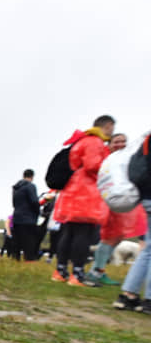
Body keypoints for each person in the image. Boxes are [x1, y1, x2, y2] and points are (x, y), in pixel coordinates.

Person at [52, 115, 114, 286]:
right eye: (111, 128)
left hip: (72, 192)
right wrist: (109, 168)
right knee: (83, 234)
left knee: (69, 233)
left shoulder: (82, 140)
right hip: (85, 194)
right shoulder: (95, 142)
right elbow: (93, 165)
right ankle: (77, 274)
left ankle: (60, 270)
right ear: (107, 126)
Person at [86, 133, 140, 286]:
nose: (121, 144)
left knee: (117, 237)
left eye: (124, 141)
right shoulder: (106, 160)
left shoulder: (126, 159)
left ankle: (99, 270)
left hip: (121, 203)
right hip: (107, 203)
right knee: (109, 237)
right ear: (109, 144)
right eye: (116, 141)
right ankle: (95, 271)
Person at [113, 134, 151, 313]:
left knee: (147, 250)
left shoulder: (147, 139)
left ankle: (129, 295)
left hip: (146, 198)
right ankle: (149, 300)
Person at [11, 169, 40, 260]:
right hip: (28, 219)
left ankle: (15, 260)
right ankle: (29, 260)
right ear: (32, 176)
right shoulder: (30, 186)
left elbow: (14, 203)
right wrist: (38, 211)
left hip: (17, 217)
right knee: (29, 241)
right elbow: (34, 201)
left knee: (17, 242)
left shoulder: (16, 187)